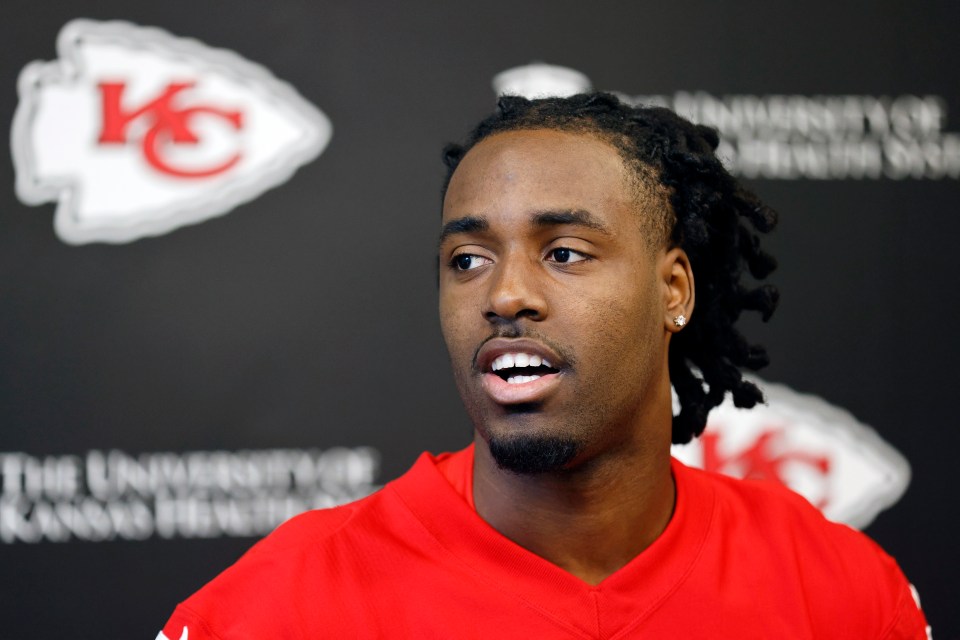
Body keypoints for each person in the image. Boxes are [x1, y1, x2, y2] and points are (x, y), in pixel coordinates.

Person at [157, 93, 929, 639]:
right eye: (467, 259)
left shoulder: (836, 589)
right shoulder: (278, 607)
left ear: (673, 290)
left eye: (564, 252)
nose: (505, 294)